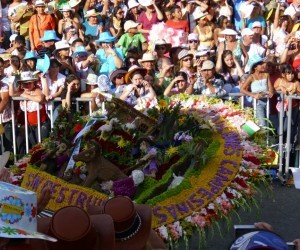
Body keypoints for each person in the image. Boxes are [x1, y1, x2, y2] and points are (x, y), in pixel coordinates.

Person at [9, 71, 50, 154]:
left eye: (29, 83)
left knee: (42, 146)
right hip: (29, 126)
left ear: (33, 83)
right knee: (34, 147)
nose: (27, 85)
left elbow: (39, 99)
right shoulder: (21, 91)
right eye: (24, 83)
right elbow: (11, 93)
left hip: (41, 124)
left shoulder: (37, 89)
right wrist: (11, 80)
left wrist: (25, 95)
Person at [240, 57, 274, 127]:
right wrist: (253, 95)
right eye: (260, 64)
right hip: (258, 103)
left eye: (262, 64)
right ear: (255, 67)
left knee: (268, 124)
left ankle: (266, 137)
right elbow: (242, 89)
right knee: (262, 125)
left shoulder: (266, 75)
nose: (263, 65)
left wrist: (271, 91)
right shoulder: (251, 77)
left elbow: (270, 87)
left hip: (267, 101)